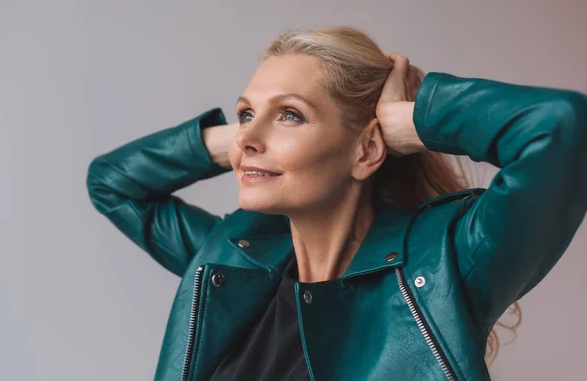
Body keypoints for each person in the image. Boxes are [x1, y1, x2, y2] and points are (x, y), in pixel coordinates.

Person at [86, 26, 587, 381]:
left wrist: (411, 122)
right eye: (245, 113)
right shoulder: (231, 258)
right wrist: (240, 142)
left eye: (289, 115)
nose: (248, 136)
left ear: (367, 149)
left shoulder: (444, 265)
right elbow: (112, 183)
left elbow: (560, 126)